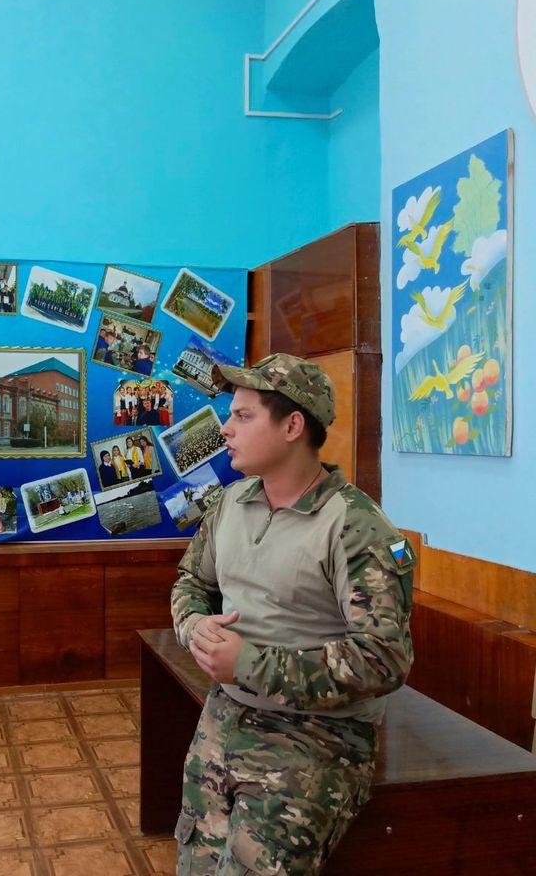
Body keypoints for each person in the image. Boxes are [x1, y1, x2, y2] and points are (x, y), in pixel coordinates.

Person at [170, 353, 415, 876]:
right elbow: (192, 582)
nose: (226, 428)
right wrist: (196, 628)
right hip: (225, 715)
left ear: (292, 426)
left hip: (316, 738)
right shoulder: (230, 503)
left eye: (243, 416)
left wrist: (251, 663)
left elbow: (384, 659)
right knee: (195, 861)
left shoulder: (355, 525)